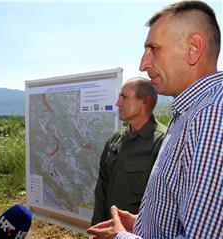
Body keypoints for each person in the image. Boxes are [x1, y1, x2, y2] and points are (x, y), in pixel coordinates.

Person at [87, 1, 222, 238]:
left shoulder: (211, 115)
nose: (143, 63)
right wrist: (143, 224)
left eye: (154, 49)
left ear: (193, 48)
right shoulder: (189, 113)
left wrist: (120, 237)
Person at [91, 77, 167, 225]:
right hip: (109, 229)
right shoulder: (116, 139)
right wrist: (97, 226)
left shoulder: (163, 142)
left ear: (145, 100)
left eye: (124, 97)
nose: (118, 103)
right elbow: (102, 187)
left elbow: (163, 203)